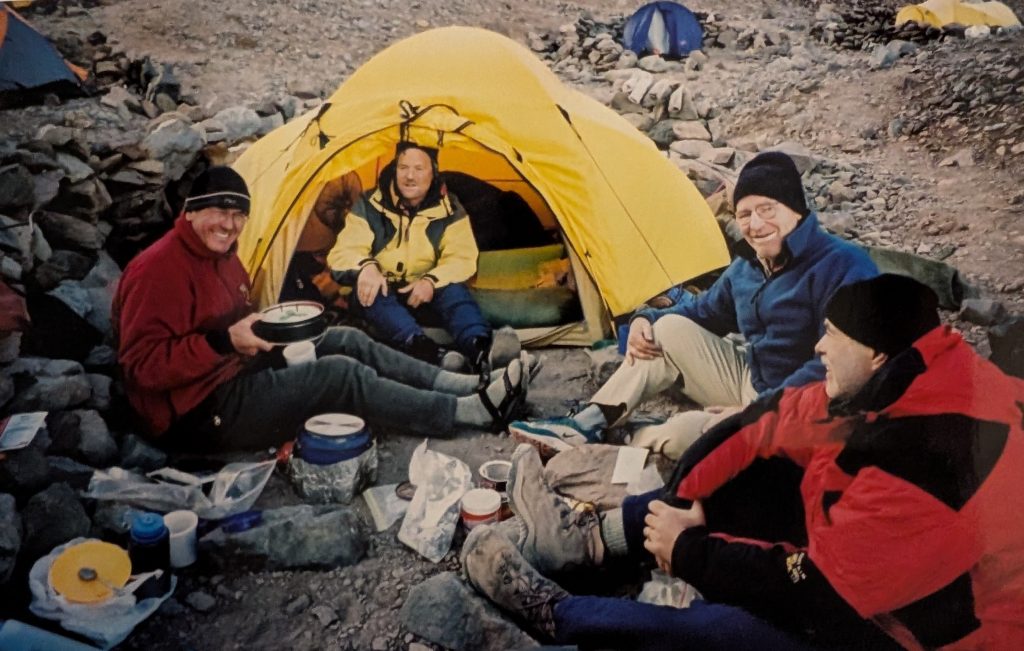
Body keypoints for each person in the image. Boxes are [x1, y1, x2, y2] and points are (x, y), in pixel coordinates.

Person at [462, 274, 1024, 650]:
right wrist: (684, 502)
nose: (817, 349)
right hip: (880, 566)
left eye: (831, 337)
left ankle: (559, 618)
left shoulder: (933, 457)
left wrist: (690, 551)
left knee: (729, 632)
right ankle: (590, 544)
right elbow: (768, 419)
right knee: (743, 478)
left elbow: (819, 588)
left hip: (923, 633)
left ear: (875, 353)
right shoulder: (914, 376)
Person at [113, 166, 529, 451]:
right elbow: (140, 367)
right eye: (220, 211)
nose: (230, 224)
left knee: (344, 339)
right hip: (196, 414)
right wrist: (225, 342)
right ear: (191, 211)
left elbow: (235, 325)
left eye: (239, 214)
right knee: (339, 376)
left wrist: (271, 334)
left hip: (232, 371)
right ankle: (467, 412)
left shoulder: (224, 255)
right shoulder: (157, 269)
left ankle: (459, 384)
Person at [510, 151, 878, 459]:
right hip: (753, 379)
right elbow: (702, 314)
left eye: (768, 208)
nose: (755, 224)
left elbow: (836, 373)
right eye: (745, 214)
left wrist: (756, 412)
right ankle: (589, 423)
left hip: (808, 409)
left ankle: (628, 441)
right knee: (665, 329)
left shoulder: (842, 266)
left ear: (796, 209)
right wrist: (643, 318)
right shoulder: (747, 267)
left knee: (693, 435)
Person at [327, 141, 518, 371]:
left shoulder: (449, 209)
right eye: (403, 167)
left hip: (425, 292)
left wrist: (430, 281)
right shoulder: (369, 205)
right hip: (382, 294)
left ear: (433, 171)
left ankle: (481, 349)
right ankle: (429, 353)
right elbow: (343, 251)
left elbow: (461, 257)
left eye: (419, 169)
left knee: (453, 290)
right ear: (394, 169)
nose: (410, 176)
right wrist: (366, 267)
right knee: (371, 292)